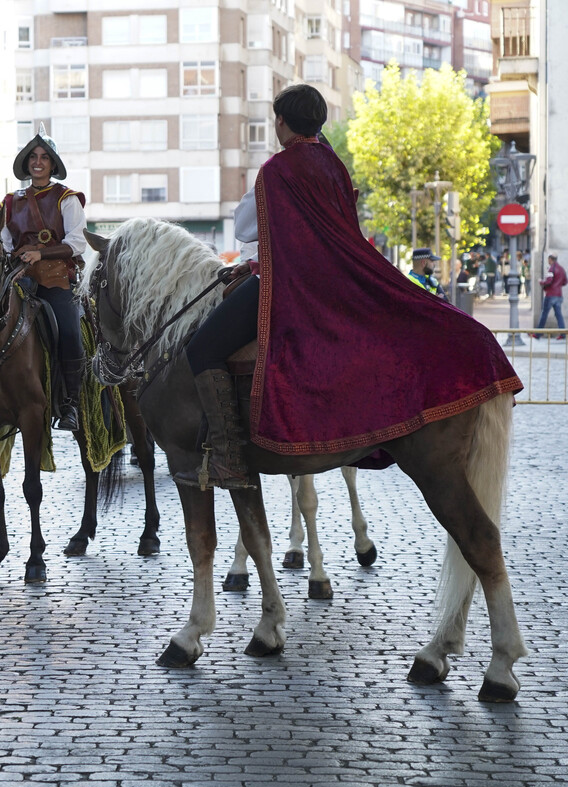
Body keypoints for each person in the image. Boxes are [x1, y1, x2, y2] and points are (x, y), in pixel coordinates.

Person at [173, 84, 521, 490]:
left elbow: (247, 227)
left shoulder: (276, 170)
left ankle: (227, 457)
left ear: (281, 121)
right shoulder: (334, 165)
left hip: (290, 285)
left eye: (276, 120)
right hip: (336, 283)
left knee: (202, 347)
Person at [0, 122, 87, 431]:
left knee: (68, 332)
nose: (38, 162)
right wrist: (10, 255)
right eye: (33, 157)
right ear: (27, 163)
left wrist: (41, 253)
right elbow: (2, 240)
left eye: (44, 157)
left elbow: (78, 242)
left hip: (54, 279)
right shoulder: (9, 202)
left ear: (52, 164)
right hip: (17, 277)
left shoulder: (68, 198)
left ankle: (69, 404)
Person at [535, 251, 567, 339]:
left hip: (550, 295)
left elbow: (548, 281)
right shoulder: (561, 269)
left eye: (548, 259)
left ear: (550, 259)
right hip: (558, 295)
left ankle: (538, 333)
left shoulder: (551, 269)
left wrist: (541, 282)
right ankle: (563, 334)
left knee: (544, 314)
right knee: (559, 315)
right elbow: (565, 281)